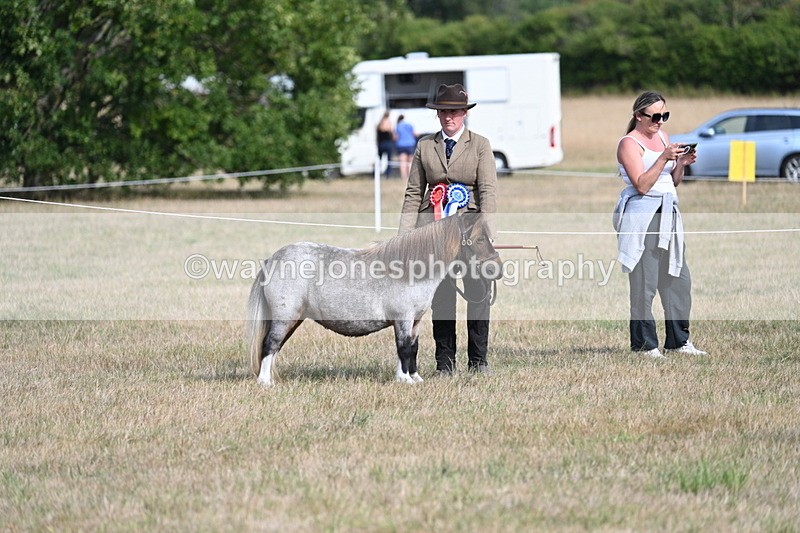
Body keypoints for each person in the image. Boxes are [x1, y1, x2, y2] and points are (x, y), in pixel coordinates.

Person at [399, 83, 498, 375]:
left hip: (470, 232)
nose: (449, 117)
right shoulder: (424, 146)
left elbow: (488, 190)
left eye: (454, 111)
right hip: (433, 233)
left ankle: (478, 361)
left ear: (464, 113)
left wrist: (487, 232)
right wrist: (404, 236)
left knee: (478, 294)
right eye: (443, 112)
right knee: (441, 298)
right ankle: (445, 362)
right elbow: (413, 192)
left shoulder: (480, 145)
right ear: (437, 114)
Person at [613, 90, 707, 358]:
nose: (660, 121)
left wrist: (681, 164)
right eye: (655, 116)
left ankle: (678, 341)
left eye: (664, 115)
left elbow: (671, 181)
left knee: (678, 280)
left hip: (669, 215)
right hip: (644, 218)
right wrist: (663, 158)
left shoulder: (663, 137)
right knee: (645, 282)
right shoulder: (628, 144)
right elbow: (642, 185)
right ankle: (644, 345)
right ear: (638, 115)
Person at [395, 114, 418, 181]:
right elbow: (415, 133)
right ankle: (410, 177)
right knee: (410, 162)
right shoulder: (409, 125)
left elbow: (396, 137)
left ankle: (404, 177)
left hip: (401, 145)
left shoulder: (398, 126)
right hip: (410, 144)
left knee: (403, 162)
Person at [376, 111, 396, 177]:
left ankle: (376, 173)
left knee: (379, 159)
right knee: (389, 160)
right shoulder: (389, 123)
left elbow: (377, 136)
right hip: (388, 143)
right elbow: (392, 135)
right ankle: (388, 174)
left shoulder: (379, 124)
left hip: (381, 144)